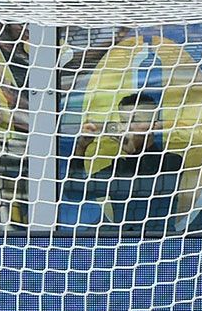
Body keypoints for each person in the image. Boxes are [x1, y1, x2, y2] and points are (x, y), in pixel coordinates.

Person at [71, 92, 187, 234]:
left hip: (161, 243)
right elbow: (75, 192)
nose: (129, 127)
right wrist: (81, 148)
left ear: (154, 125)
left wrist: (133, 154)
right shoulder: (119, 167)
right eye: (124, 121)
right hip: (124, 243)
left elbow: (147, 186)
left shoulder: (171, 161)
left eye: (136, 120)